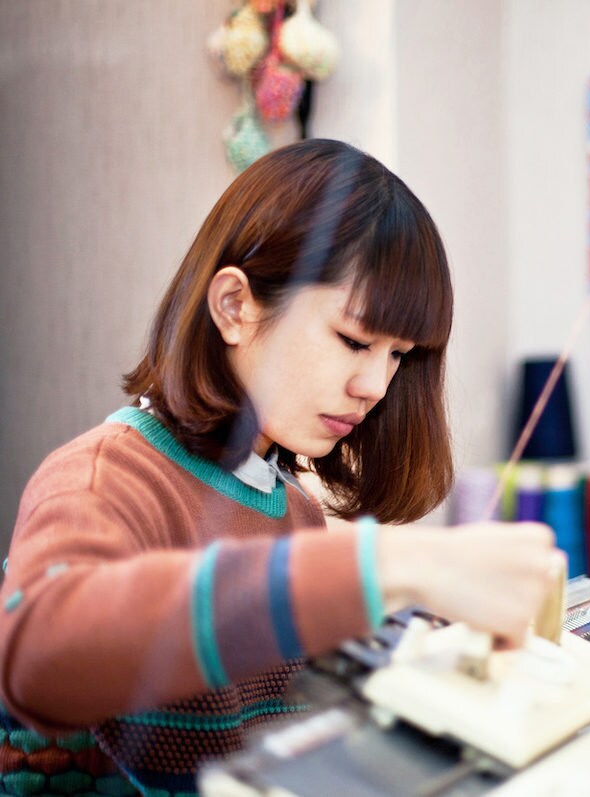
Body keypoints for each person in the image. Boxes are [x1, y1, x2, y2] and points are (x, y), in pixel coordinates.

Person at [0, 139, 560, 796]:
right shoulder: (107, 477)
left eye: (398, 355)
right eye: (354, 340)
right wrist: (394, 564)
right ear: (236, 307)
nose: (376, 384)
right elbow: (37, 656)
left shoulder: (292, 507)